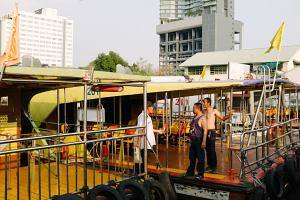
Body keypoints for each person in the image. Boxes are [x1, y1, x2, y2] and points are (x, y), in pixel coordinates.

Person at [203, 97, 231, 173]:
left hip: (211, 132)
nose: (203, 103)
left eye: (204, 102)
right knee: (207, 149)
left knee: (212, 149)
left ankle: (214, 166)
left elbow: (223, 118)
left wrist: (229, 115)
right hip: (205, 131)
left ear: (208, 103)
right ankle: (209, 165)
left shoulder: (214, 111)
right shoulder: (204, 112)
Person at [134, 101, 163, 174]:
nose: (153, 109)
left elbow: (148, 128)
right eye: (152, 107)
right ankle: (139, 174)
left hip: (144, 142)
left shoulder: (147, 116)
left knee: (142, 158)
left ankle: (141, 173)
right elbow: (141, 129)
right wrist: (138, 142)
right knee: (140, 159)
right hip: (142, 142)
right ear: (148, 107)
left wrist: (158, 131)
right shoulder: (143, 116)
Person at [185, 102, 207, 180]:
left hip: (199, 141)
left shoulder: (202, 118)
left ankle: (200, 174)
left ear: (198, 108)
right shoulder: (195, 117)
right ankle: (190, 172)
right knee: (192, 157)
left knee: (200, 158)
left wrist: (204, 142)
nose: (192, 109)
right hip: (193, 140)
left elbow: (205, 130)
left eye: (194, 108)